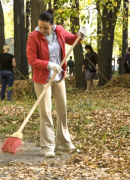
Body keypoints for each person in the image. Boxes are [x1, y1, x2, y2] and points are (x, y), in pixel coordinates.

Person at [26, 8, 87, 158]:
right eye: (40, 27)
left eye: (45, 28)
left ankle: (64, 141)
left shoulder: (59, 31)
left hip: (58, 77)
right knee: (46, 112)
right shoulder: (34, 36)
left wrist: (81, 34)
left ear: (52, 25)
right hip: (42, 79)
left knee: (62, 109)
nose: (42, 30)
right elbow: (32, 60)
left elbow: (73, 40)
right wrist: (48, 64)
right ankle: (48, 146)